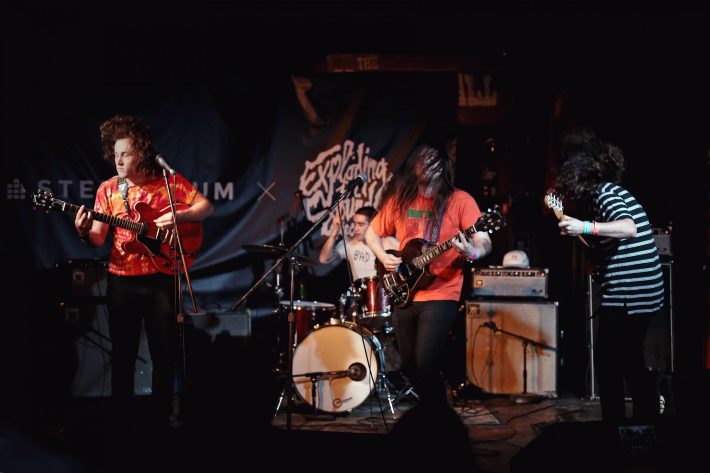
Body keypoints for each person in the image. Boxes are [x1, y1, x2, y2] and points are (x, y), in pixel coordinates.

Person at [74, 115, 214, 428]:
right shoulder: (108, 190)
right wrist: (83, 231)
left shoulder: (167, 183)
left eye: (125, 154)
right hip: (121, 280)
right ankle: (122, 421)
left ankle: (160, 418)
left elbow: (206, 207)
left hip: (161, 277)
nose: (118, 160)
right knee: (122, 353)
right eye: (115, 154)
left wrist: (179, 216)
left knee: (163, 352)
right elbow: (97, 239)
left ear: (141, 154)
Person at [365, 140, 492, 404]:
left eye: (433, 159)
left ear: (444, 164)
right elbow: (371, 233)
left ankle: (437, 416)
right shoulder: (401, 199)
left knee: (425, 362)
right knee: (409, 366)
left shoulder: (460, 200)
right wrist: (383, 257)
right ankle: (433, 410)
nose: (426, 164)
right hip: (404, 290)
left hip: (442, 291)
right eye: (421, 159)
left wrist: (473, 252)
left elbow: (484, 240)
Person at [554, 128, 663, 423]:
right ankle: (644, 422)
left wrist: (584, 227)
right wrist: (598, 259)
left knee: (610, 364)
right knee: (628, 359)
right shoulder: (608, 193)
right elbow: (615, 239)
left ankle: (618, 428)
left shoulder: (605, 193)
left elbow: (628, 227)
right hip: (641, 290)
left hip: (630, 293)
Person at [319, 206, 398, 280]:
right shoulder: (350, 244)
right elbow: (324, 259)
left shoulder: (390, 243)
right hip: (360, 289)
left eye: (361, 224)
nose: (356, 228)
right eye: (355, 224)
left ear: (372, 225)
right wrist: (335, 230)